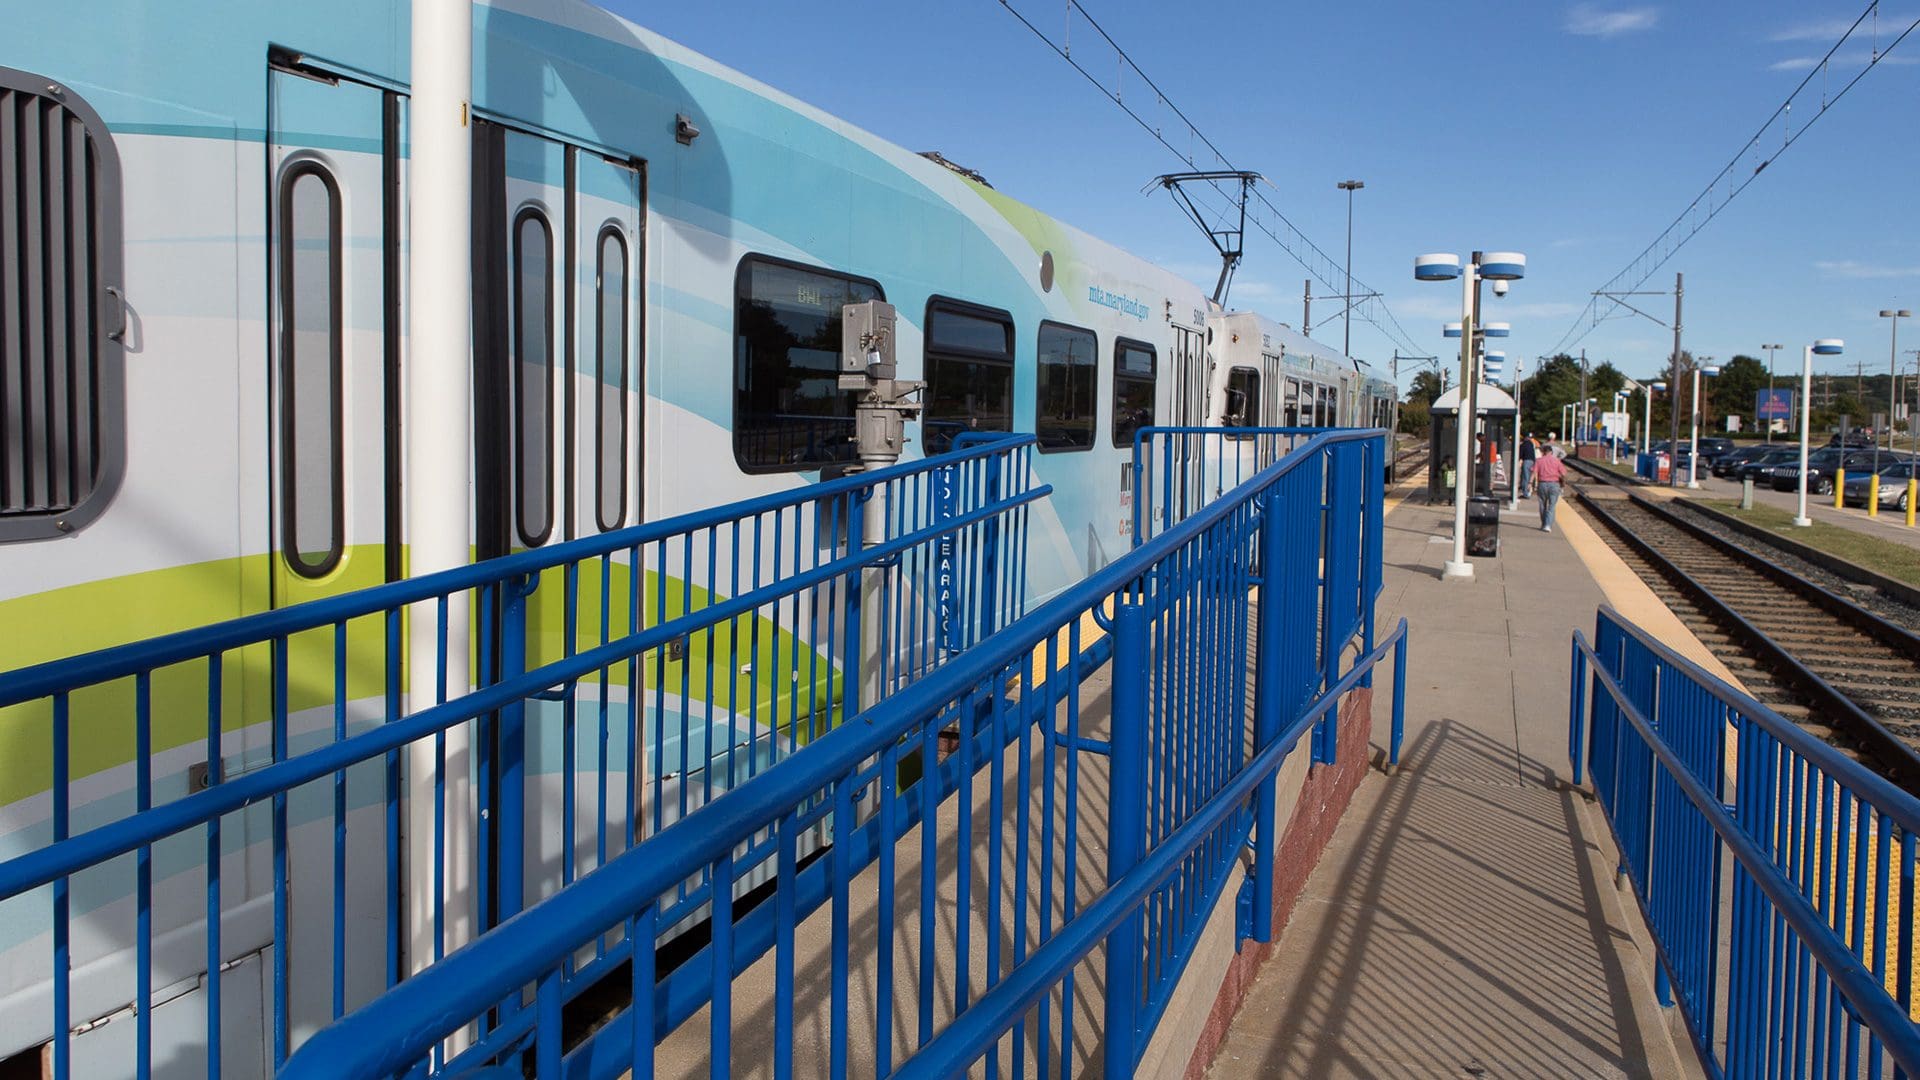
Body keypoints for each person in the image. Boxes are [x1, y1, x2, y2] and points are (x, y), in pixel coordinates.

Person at [1534, 444, 1567, 532]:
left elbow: (1534, 472)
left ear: (1543, 452)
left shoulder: (1539, 461)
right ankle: (1548, 525)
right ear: (1551, 452)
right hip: (1554, 484)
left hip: (1542, 484)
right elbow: (1563, 473)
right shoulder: (1556, 461)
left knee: (1542, 505)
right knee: (1551, 506)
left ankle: (1544, 523)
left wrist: (1531, 484)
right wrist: (1562, 482)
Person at [1518, 431, 1537, 498]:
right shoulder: (1532, 444)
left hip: (1526, 461)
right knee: (1530, 477)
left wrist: (1518, 460)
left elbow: (1520, 454)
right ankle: (1530, 490)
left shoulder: (1523, 445)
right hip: (1533, 461)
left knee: (1525, 477)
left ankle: (1525, 493)